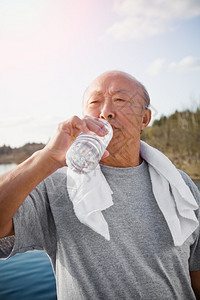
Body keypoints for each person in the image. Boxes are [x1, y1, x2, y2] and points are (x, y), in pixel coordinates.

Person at [0, 70, 200, 299]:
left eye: (120, 100)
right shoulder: (57, 186)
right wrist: (47, 158)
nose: (105, 112)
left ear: (145, 119)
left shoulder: (179, 185)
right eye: (95, 103)